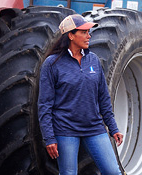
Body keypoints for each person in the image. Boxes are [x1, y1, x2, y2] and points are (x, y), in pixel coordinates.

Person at [38, 14, 123, 175]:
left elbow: (103, 98)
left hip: (94, 128)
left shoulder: (93, 60)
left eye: (88, 32)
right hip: (65, 129)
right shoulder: (51, 64)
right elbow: (44, 105)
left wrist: (113, 128)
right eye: (84, 32)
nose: (88, 36)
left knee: (113, 172)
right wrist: (49, 138)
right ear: (70, 35)